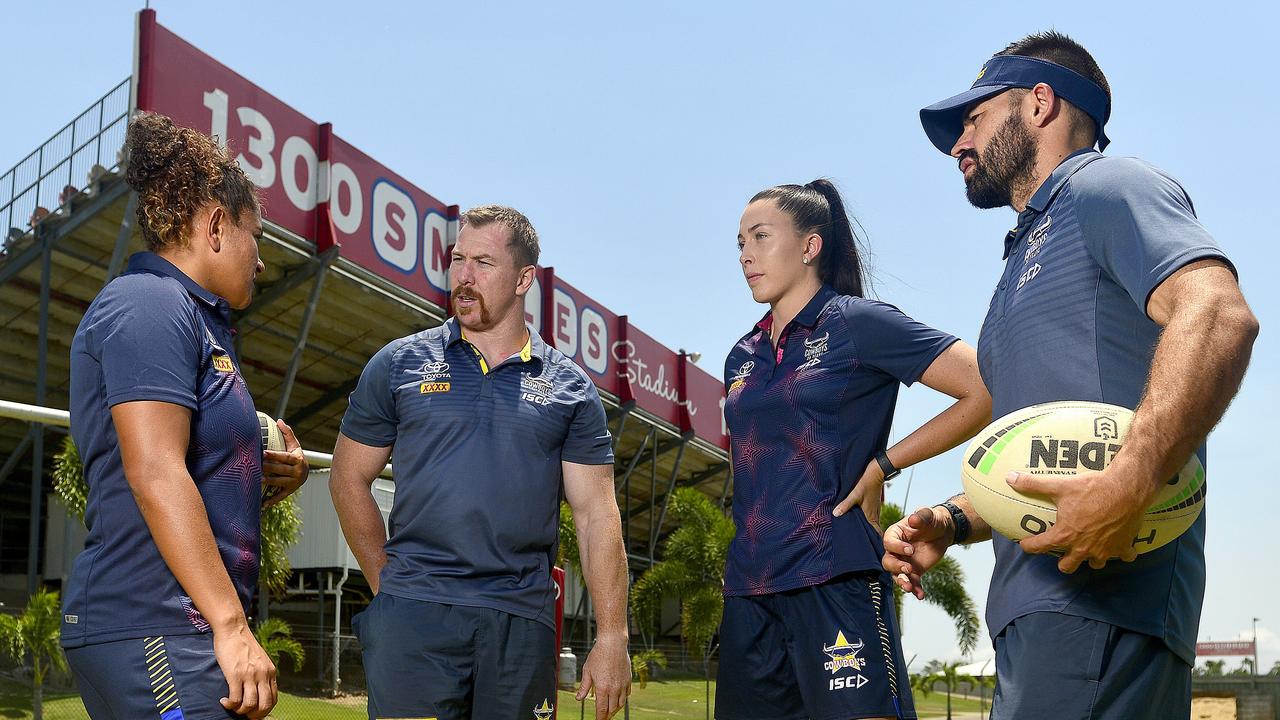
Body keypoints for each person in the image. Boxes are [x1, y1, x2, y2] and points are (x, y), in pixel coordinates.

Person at [886, 31, 1260, 719]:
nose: (957, 145)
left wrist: (1130, 481)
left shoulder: (1105, 186)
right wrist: (955, 518)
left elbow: (1217, 312)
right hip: (1039, 616)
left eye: (972, 119)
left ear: (1040, 103)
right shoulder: (1022, 261)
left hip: (1104, 609)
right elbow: (1051, 452)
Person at [329, 205, 632, 720]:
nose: (464, 276)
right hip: (414, 619)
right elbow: (347, 478)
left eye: (484, 263)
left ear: (523, 279)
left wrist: (612, 636)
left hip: (520, 624)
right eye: (458, 259)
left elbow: (596, 515)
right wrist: (390, 587)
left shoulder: (571, 388)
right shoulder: (399, 363)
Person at [62, 112, 309, 720]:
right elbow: (154, 471)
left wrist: (265, 472)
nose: (261, 260)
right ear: (218, 225)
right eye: (257, 236)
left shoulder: (197, 319)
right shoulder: (149, 302)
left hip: (179, 627)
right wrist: (230, 626)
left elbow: (189, 468)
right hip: (154, 622)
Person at [717, 179, 991, 720]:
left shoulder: (856, 323)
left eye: (761, 236)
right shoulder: (740, 357)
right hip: (749, 593)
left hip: (836, 579)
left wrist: (883, 465)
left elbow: (984, 386)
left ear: (810, 246)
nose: (746, 254)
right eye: (740, 243)